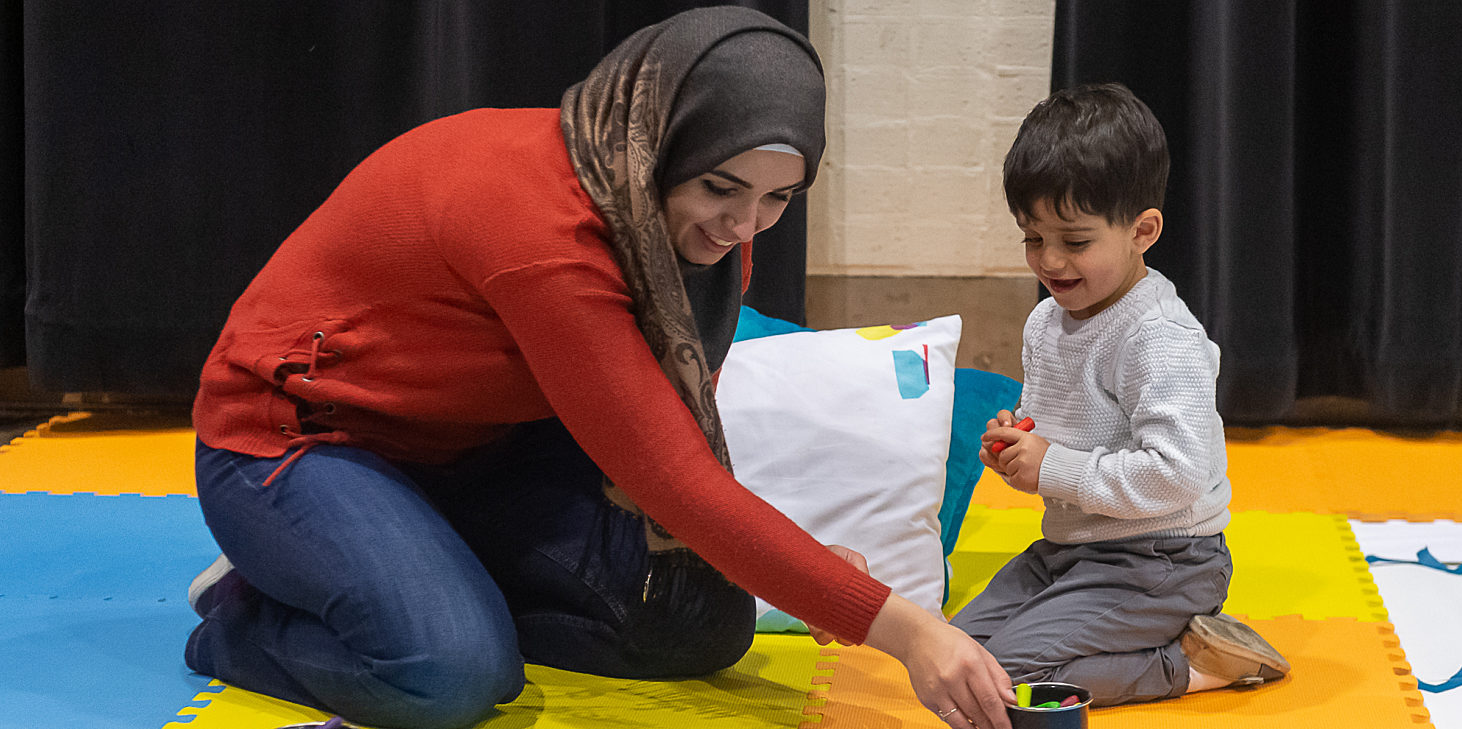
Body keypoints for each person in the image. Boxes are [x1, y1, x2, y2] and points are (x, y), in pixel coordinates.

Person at [183, 8, 1012, 729]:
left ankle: (410, 572)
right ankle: (246, 608)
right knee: (451, 676)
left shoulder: (673, 211)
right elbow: (667, 475)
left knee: (698, 627)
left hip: (469, 447)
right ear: (666, 134)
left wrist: (812, 569)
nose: (742, 224)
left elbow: (669, 430)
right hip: (295, 446)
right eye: (723, 186)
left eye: (777, 198)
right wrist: (904, 629)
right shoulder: (543, 231)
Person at [963, 82, 1290, 707]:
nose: (1049, 261)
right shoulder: (1047, 320)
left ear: (1142, 231)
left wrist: (1052, 466)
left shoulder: (1158, 338)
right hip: (1070, 551)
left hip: (1164, 562)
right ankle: (1133, 643)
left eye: (1075, 241)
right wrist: (1019, 439)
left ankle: (1195, 663)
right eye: (1032, 238)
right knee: (953, 658)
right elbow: (1060, 426)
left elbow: (1179, 474)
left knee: (1000, 683)